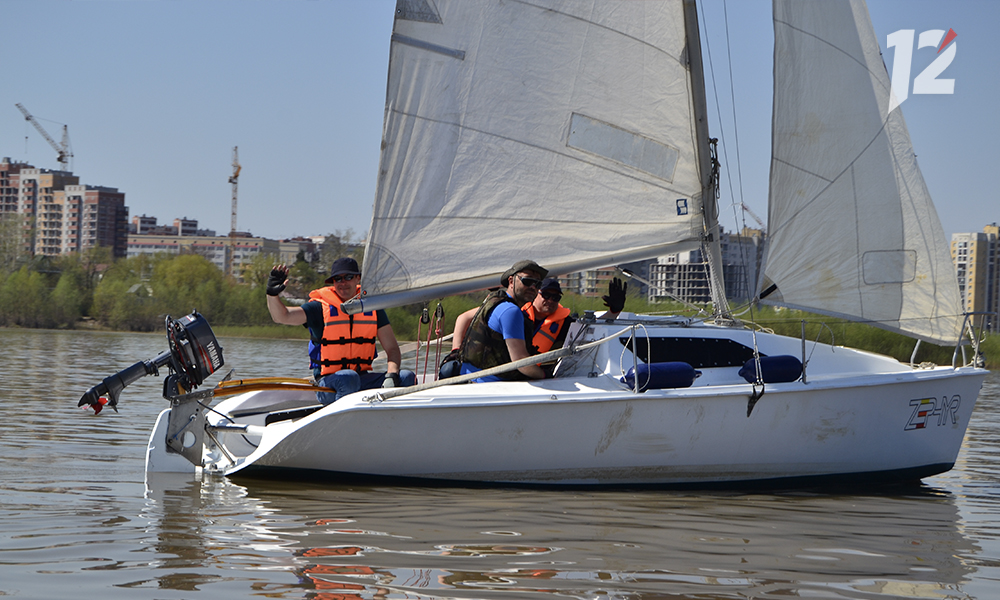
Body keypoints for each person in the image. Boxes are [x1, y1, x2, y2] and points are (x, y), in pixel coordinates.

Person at [266, 257, 415, 404]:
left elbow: (392, 348)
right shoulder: (319, 308)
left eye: (348, 277)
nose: (342, 283)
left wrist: (391, 375)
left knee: (406, 376)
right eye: (337, 279)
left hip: (361, 379)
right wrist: (272, 295)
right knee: (348, 378)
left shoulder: (372, 307)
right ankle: (347, 423)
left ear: (358, 278)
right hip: (328, 385)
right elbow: (282, 316)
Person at [458, 260, 548, 382]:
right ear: (511, 281)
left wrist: (455, 352)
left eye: (537, 284)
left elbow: (462, 317)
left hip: (468, 377)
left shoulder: (494, 301)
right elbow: (521, 362)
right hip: (489, 384)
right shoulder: (511, 311)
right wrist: (546, 375)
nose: (533, 287)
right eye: (527, 281)